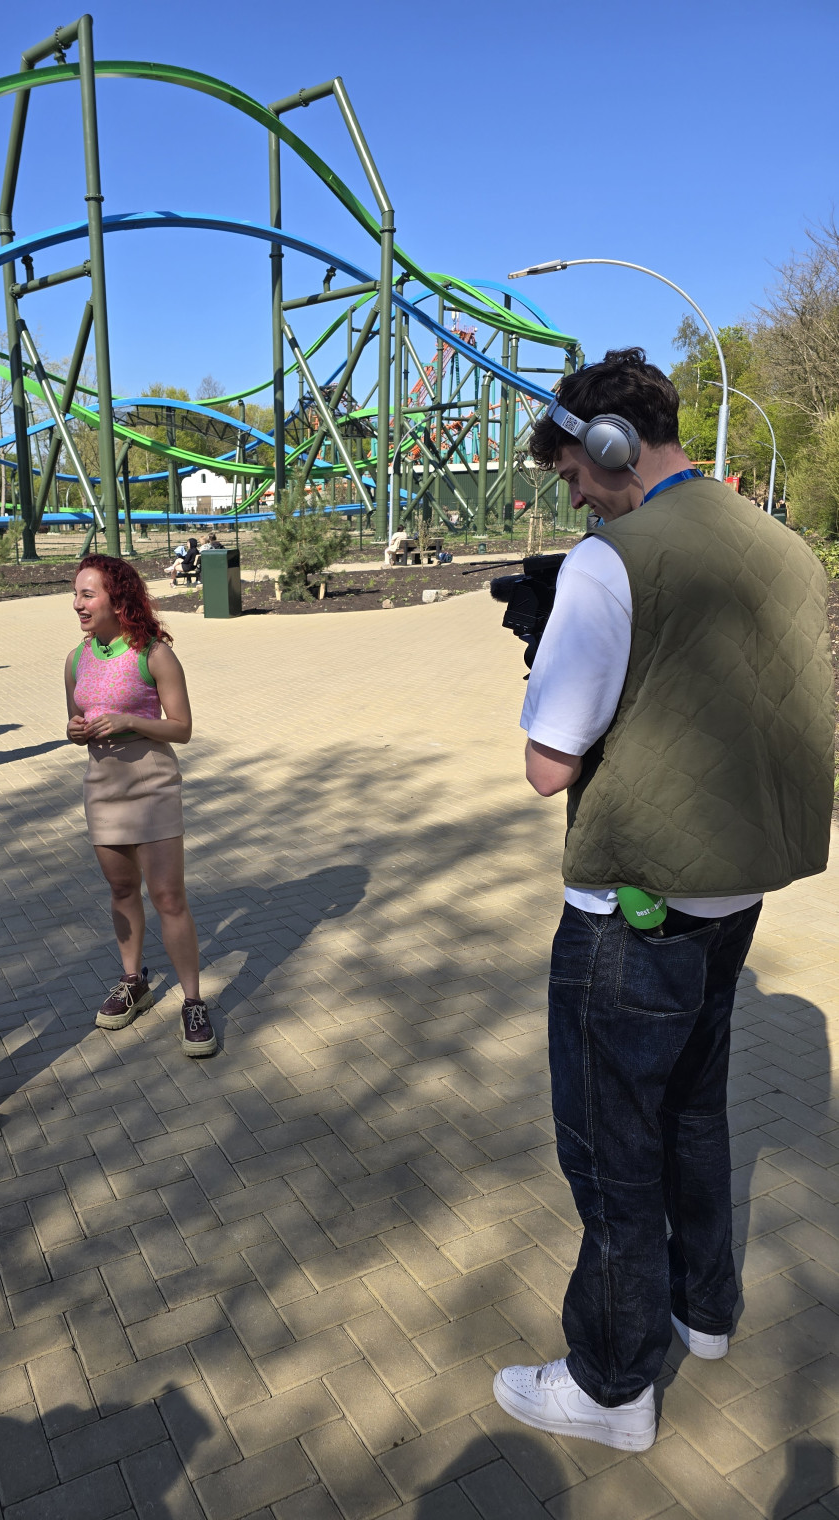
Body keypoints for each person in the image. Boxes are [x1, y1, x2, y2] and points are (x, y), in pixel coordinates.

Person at [492, 350, 833, 1451]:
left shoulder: (611, 563)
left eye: (574, 476)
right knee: (693, 1110)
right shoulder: (783, 547)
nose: (576, 500)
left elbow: (548, 764)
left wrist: (546, 655)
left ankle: (611, 1384)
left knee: (610, 1147)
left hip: (630, 907)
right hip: (733, 894)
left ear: (609, 445)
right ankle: (706, 1310)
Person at [64, 553, 215, 1055]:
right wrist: (75, 730)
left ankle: (192, 1000)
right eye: (76, 594)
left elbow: (182, 728)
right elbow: (75, 720)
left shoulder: (154, 654)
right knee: (122, 889)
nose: (78, 603)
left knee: (169, 897)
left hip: (152, 785)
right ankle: (134, 981)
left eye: (88, 594)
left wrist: (130, 721)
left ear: (117, 599)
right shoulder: (76, 658)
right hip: (102, 786)